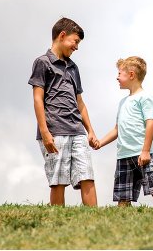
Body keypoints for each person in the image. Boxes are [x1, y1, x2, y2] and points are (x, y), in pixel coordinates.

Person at [28, 17, 100, 206]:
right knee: (58, 180)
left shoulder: (73, 67)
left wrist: (90, 131)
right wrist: (45, 132)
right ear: (62, 35)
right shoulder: (42, 62)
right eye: (75, 41)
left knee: (86, 175)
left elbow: (80, 102)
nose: (77, 47)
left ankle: (95, 218)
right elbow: (37, 99)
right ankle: (58, 218)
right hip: (55, 131)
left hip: (77, 131)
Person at [98, 56, 153, 207]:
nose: (117, 77)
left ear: (131, 75)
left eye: (119, 73)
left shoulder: (145, 98)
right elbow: (117, 129)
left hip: (143, 155)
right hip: (123, 156)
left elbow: (150, 124)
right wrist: (100, 143)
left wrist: (145, 151)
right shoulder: (122, 102)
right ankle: (122, 220)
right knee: (123, 197)